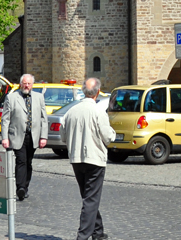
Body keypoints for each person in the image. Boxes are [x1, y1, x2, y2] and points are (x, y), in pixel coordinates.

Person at [63, 77, 115, 240]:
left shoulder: (71, 111)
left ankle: (97, 231)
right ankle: (83, 235)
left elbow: (63, 136)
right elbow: (108, 136)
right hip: (94, 159)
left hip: (76, 159)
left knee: (88, 197)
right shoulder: (98, 112)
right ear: (98, 92)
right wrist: (113, 134)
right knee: (90, 199)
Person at [0, 73, 47, 201]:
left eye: (29, 83)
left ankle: (25, 187)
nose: (26, 85)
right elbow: (5, 119)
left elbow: (44, 119)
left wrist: (44, 137)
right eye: (24, 83)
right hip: (17, 135)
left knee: (29, 162)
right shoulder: (11, 97)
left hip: (33, 136)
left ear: (32, 85)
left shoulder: (39, 97)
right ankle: (20, 187)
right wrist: (4, 137)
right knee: (21, 161)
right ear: (21, 84)